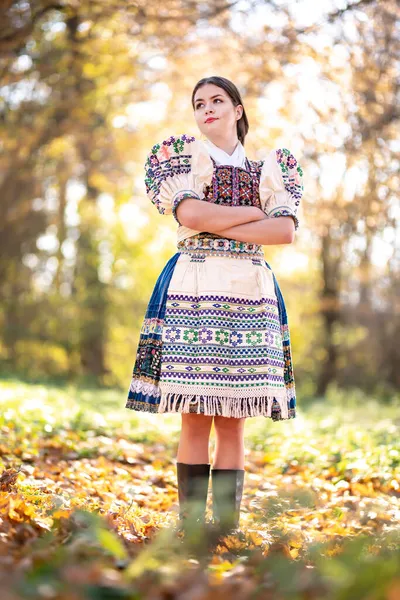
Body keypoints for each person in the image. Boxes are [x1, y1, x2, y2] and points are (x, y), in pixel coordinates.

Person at [125, 76, 304, 538]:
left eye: (217, 100)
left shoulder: (270, 170)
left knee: (233, 421)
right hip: (196, 287)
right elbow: (191, 217)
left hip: (249, 292)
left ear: (237, 110)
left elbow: (284, 233)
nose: (207, 108)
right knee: (195, 415)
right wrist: (257, 216)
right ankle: (190, 529)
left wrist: (218, 222)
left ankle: (222, 531)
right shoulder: (184, 163)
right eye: (199, 103)